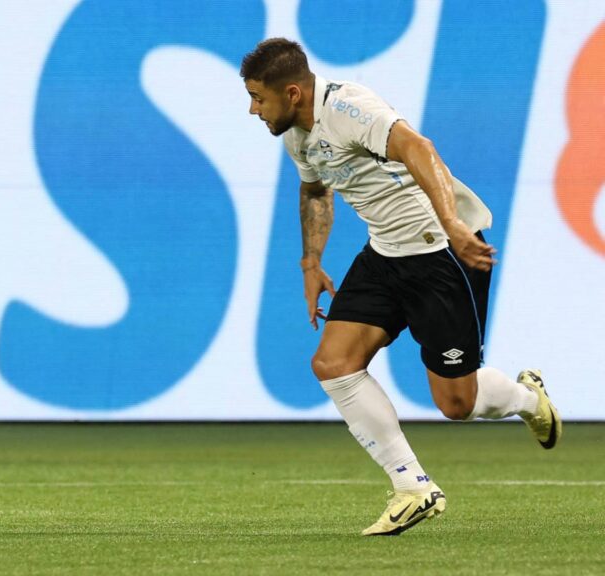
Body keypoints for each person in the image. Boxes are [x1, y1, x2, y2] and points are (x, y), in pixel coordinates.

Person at [240, 38, 561, 536]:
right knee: (332, 363)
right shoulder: (295, 134)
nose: (253, 109)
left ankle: (527, 398)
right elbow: (316, 189)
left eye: (259, 97)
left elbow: (419, 147)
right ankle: (413, 487)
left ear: (295, 92)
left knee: (458, 404)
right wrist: (311, 262)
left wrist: (454, 224)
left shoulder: (351, 108)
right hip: (386, 254)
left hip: (440, 252)